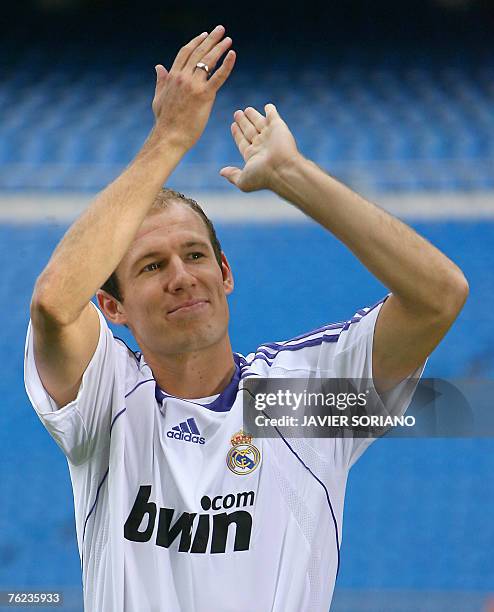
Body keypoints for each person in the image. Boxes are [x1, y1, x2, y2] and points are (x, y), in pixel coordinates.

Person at [24, 25, 468, 612]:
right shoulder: (107, 399)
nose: (182, 276)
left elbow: (439, 294)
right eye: (152, 266)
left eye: (196, 255)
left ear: (225, 273)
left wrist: (293, 178)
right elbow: (54, 302)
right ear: (112, 307)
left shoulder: (296, 401)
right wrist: (169, 140)